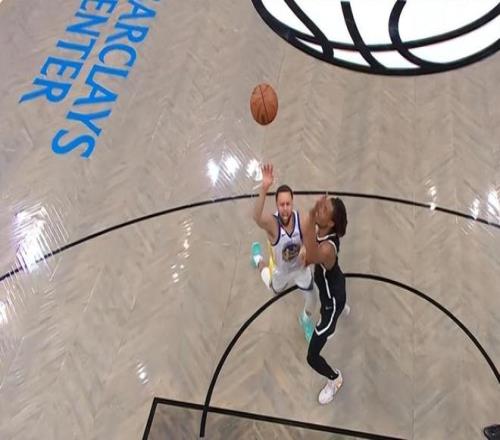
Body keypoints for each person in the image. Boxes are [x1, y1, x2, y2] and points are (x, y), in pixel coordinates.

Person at [251, 163, 317, 342]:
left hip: (300, 269)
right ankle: (258, 259)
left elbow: (312, 235)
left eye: (288, 204)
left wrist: (306, 248)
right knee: (272, 287)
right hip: (282, 272)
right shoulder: (273, 225)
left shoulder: (301, 220)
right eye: (282, 204)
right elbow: (256, 217)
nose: (285, 208)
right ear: (277, 205)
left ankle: (305, 320)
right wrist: (264, 188)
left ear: (292, 203)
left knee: (313, 299)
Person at [301, 194, 349, 405]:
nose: (319, 209)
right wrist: (314, 213)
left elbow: (311, 256)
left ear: (330, 223)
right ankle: (342, 308)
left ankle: (335, 378)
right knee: (330, 293)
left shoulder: (328, 249)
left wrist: (312, 215)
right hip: (334, 285)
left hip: (331, 303)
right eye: (322, 206)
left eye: (324, 210)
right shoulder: (322, 231)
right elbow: (307, 236)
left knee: (312, 356)